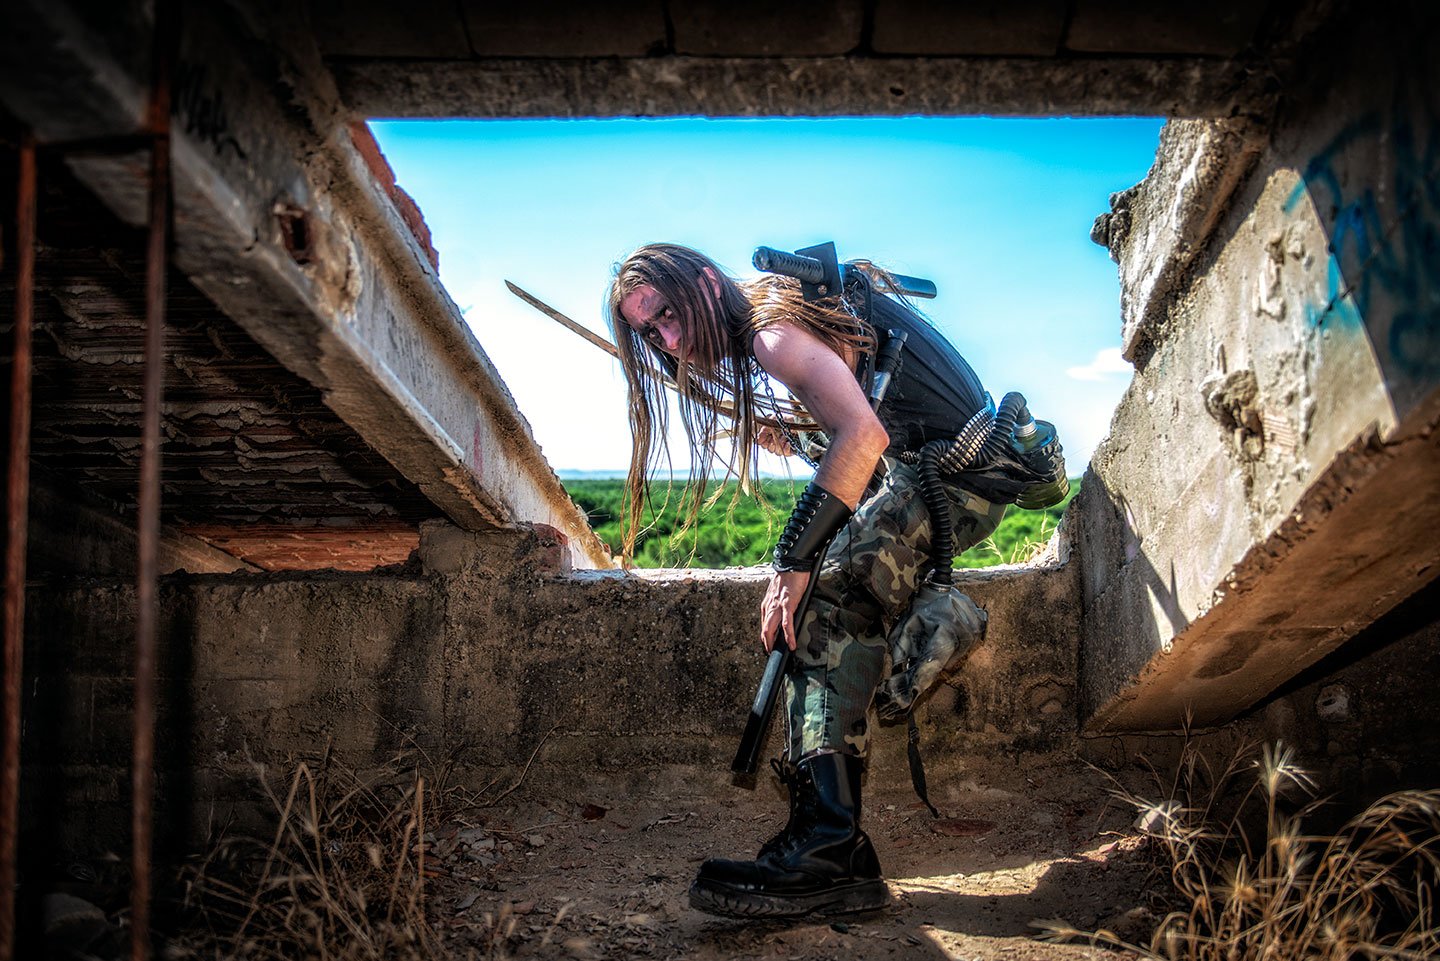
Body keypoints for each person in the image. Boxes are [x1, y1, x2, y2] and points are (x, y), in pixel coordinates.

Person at [605, 243, 1010, 919]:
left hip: (960, 477)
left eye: (669, 315)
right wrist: (796, 437)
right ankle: (834, 846)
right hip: (935, 469)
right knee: (818, 582)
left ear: (707, 282)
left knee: (819, 598)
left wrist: (790, 564)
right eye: (651, 333)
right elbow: (865, 420)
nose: (669, 342)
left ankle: (828, 847)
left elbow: (865, 435)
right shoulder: (774, 315)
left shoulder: (771, 332)